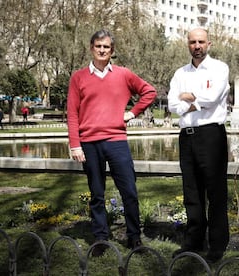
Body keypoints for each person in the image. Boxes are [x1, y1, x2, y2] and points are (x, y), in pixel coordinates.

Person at [67, 29, 157, 257]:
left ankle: (134, 237)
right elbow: (72, 113)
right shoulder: (78, 77)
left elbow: (149, 91)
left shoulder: (123, 74)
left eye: (106, 47)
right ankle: (100, 238)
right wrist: (75, 144)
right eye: (98, 46)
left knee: (129, 191)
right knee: (97, 194)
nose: (102, 50)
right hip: (89, 143)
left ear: (112, 51)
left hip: (116, 141)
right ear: (91, 48)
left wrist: (133, 113)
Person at [168, 27, 230, 264]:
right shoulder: (179, 73)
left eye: (201, 41)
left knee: (215, 192)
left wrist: (188, 97)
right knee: (191, 192)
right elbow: (173, 105)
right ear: (187, 44)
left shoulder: (219, 68)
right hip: (187, 136)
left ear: (209, 44)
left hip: (211, 135)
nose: (197, 46)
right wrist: (194, 99)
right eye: (193, 42)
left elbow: (212, 97)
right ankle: (194, 240)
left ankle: (217, 244)